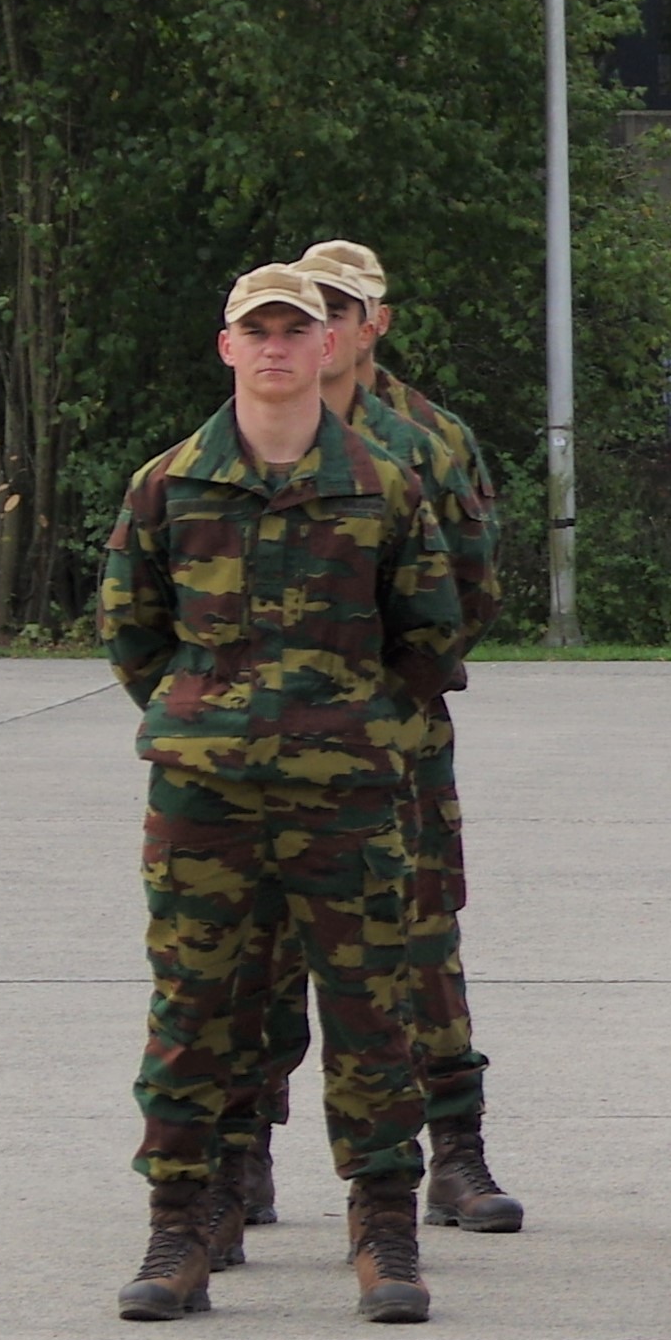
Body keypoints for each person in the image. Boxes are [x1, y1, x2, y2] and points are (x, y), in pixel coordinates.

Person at [100, 262, 470, 1324]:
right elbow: (133, 630)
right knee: (193, 1008)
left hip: (345, 795)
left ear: (327, 347)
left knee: (372, 1011)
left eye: (293, 329)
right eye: (254, 330)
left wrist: (353, 728)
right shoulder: (168, 485)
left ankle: (386, 1231)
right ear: (227, 348)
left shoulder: (384, 486)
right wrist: (201, 713)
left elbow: (430, 632)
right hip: (205, 798)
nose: (273, 346)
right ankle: (180, 1225)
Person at [251, 240, 526, 1237]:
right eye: (305, 306)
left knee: (419, 937)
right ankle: (245, 1150)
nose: (321, 324)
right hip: (268, 746)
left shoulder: (428, 443)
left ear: (373, 323)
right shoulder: (253, 429)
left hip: (396, 737)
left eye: (343, 306)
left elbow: (473, 588)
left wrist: (385, 696)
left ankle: (453, 1149)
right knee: (265, 943)